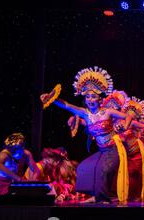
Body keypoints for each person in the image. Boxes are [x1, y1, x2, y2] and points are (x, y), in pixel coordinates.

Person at [41, 66, 132, 203]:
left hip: (114, 148)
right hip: (102, 150)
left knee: (104, 170)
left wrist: (124, 126)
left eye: (93, 96)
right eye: (88, 96)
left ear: (99, 99)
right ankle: (95, 195)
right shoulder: (85, 113)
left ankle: (103, 199)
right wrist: (52, 99)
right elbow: (67, 105)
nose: (90, 99)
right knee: (84, 167)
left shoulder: (107, 112)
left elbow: (128, 117)